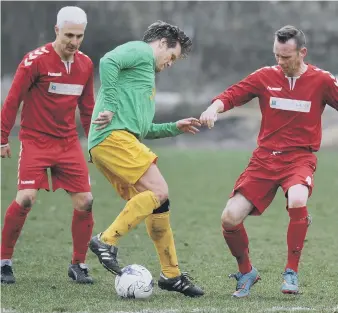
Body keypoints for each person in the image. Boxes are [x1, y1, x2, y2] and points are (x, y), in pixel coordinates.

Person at [200, 25, 338, 298]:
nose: (280, 62)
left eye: (286, 57)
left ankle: (291, 272)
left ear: (302, 53)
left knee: (298, 198)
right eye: (276, 55)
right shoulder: (264, 76)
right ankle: (247, 271)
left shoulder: (321, 81)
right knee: (229, 219)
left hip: (299, 157)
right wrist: (212, 108)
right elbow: (231, 95)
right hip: (264, 160)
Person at [87, 20, 204, 297]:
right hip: (113, 138)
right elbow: (108, 61)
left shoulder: (145, 79)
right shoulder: (140, 51)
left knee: (157, 203)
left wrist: (176, 127)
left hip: (114, 142)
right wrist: (111, 105)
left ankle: (171, 275)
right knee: (159, 190)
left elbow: (144, 129)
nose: (171, 62)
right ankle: (106, 241)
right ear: (162, 43)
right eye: (172, 56)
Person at [0, 6, 108, 284]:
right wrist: (1, 138)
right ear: (56, 31)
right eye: (69, 35)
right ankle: (4, 260)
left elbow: (87, 108)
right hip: (35, 140)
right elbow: (13, 100)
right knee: (26, 198)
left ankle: (78, 265)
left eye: (79, 36)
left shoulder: (85, 64)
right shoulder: (34, 61)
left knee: (86, 201)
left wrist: (95, 142)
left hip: (68, 143)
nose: (74, 41)